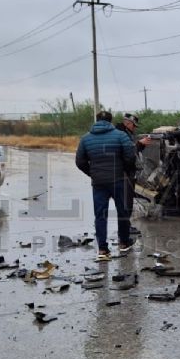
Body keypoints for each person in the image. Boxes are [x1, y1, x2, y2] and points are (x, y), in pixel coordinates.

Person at [75, 110, 136, 260]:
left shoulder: (86, 138)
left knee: (100, 215)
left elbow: (79, 161)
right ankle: (124, 243)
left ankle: (102, 249)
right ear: (110, 121)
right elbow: (130, 156)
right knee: (122, 212)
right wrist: (125, 171)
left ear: (96, 120)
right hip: (118, 180)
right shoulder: (120, 135)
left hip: (99, 183)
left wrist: (92, 173)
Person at [114, 113, 151, 235]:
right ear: (128, 123)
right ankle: (125, 228)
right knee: (126, 201)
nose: (135, 128)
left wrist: (141, 145)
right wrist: (140, 144)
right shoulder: (122, 134)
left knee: (125, 201)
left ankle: (125, 227)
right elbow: (128, 152)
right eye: (134, 126)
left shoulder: (123, 133)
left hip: (124, 171)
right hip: (124, 172)